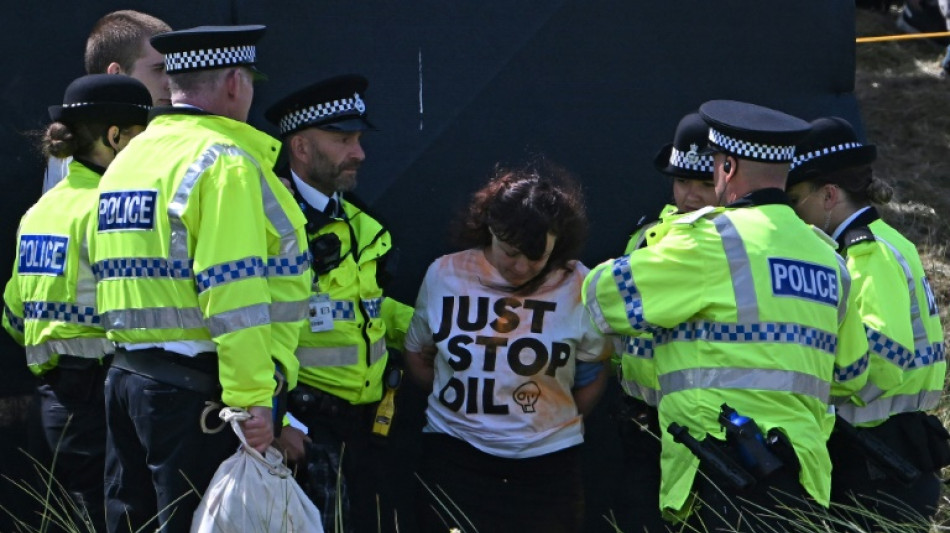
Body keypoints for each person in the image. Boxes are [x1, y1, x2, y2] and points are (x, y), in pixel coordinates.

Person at [584, 100, 871, 532]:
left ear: (728, 167)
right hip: (803, 479)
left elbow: (604, 298)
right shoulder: (827, 259)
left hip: (721, 471)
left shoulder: (712, 240)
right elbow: (850, 373)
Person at [88, 25, 312, 533]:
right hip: (195, 398)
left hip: (126, 380)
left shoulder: (130, 161)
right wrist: (254, 396)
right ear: (235, 82)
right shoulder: (224, 162)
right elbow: (234, 291)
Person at [404, 160, 608, 533]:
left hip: (547, 466)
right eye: (510, 251)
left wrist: (551, 421)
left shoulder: (578, 282)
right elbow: (417, 354)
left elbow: (594, 369)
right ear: (489, 230)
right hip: (455, 455)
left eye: (537, 256)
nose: (520, 266)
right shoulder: (446, 274)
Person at [263, 74, 414, 533]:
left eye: (359, 139)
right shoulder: (264, 220)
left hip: (365, 433)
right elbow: (244, 324)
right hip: (301, 431)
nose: (359, 153)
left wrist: (434, 328)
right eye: (342, 139)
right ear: (301, 147)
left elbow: (366, 306)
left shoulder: (361, 222)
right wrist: (277, 420)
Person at [2, 74, 151, 533]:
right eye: (142, 138)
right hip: (104, 408)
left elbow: (13, 316)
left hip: (50, 408)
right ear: (114, 137)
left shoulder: (40, 210)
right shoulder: (112, 209)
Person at [786, 116, 949, 528]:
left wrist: (807, 388)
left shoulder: (864, 253)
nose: (792, 215)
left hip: (878, 459)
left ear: (828, 195)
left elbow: (883, 359)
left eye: (794, 201)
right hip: (890, 453)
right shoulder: (885, 241)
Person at [611, 111, 718, 533]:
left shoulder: (733, 247)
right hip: (639, 420)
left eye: (704, 183)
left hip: (703, 426)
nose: (690, 195)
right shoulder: (645, 238)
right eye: (682, 181)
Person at [43, 10, 171, 194]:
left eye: (172, 69)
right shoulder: (67, 145)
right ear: (116, 73)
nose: (171, 82)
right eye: (159, 69)